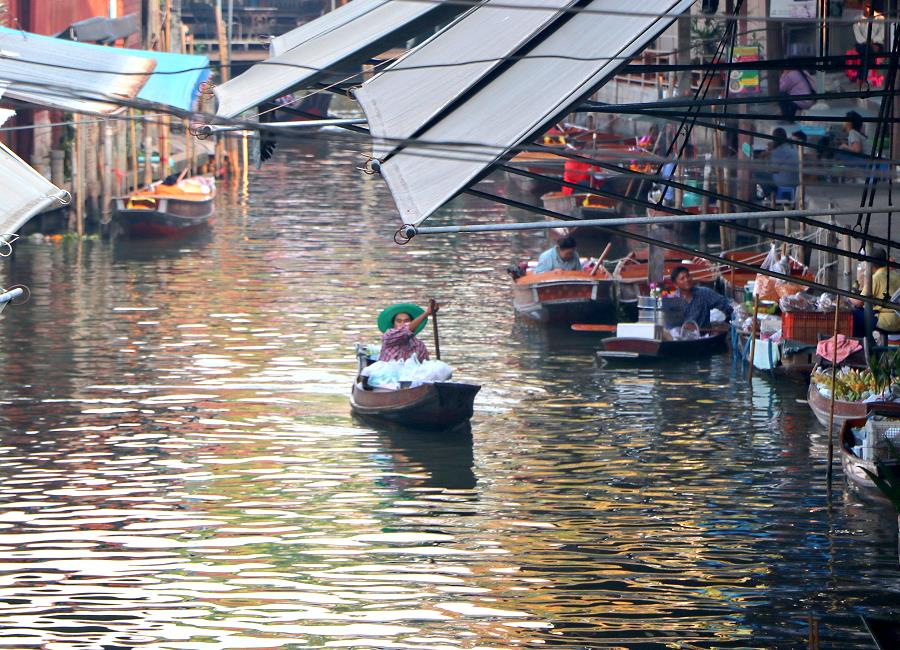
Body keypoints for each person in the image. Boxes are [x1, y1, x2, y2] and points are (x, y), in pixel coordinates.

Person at [850, 247, 900, 335]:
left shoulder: (875, 278)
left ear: (871, 265)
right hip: (898, 318)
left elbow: (858, 302)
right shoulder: (895, 274)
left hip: (887, 321)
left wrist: (848, 297)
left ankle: (864, 345)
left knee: (854, 316)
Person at [757, 128, 799, 199]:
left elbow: (772, 170)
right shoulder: (792, 146)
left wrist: (765, 160)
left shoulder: (779, 150)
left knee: (758, 173)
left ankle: (769, 195)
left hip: (785, 181)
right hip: (795, 180)